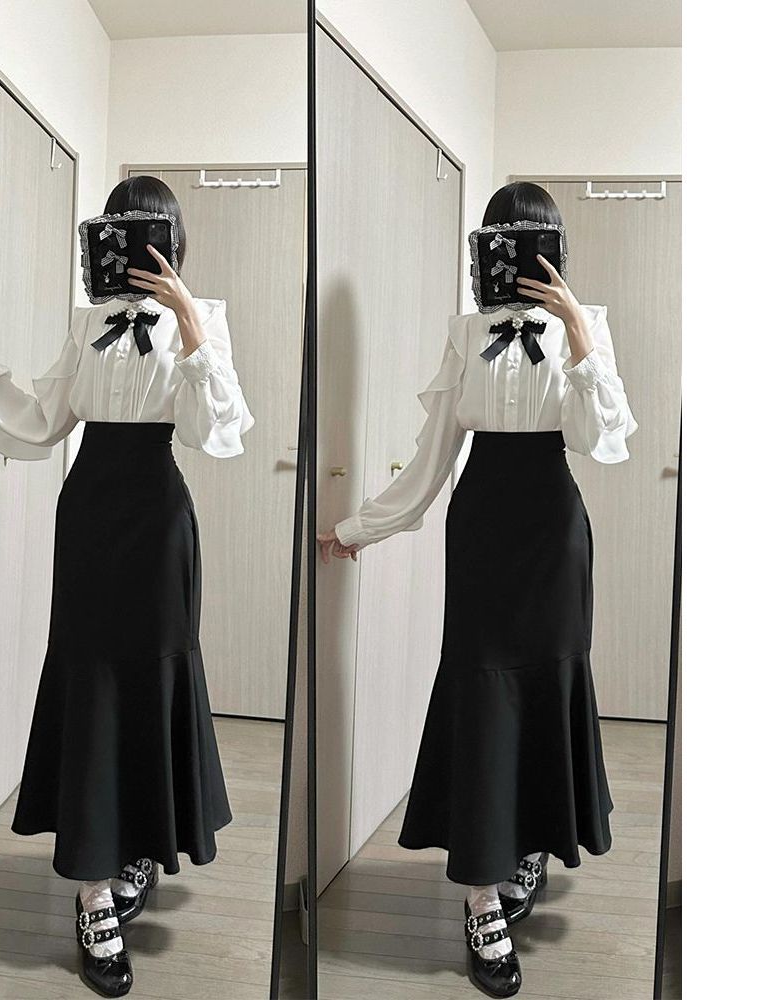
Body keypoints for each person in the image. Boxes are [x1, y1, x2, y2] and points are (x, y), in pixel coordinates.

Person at [316, 181, 638, 998]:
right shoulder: (466, 334)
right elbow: (433, 453)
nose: (518, 257)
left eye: (535, 242)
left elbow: (602, 440)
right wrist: (360, 527)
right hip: (485, 529)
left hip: (554, 533)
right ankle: (480, 896)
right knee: (485, 694)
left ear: (556, 251)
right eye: (505, 240)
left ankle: (527, 844)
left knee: (546, 688)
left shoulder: (586, 325)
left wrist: (577, 334)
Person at [0, 175, 255, 998]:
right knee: (90, 684)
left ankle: (138, 844)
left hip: (160, 520)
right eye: (117, 231)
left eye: (148, 233)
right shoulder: (87, 326)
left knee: (153, 679)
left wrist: (189, 322)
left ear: (172, 241)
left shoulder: (203, 319)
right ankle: (92, 892)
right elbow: (45, 416)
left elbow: (218, 431)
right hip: (88, 516)